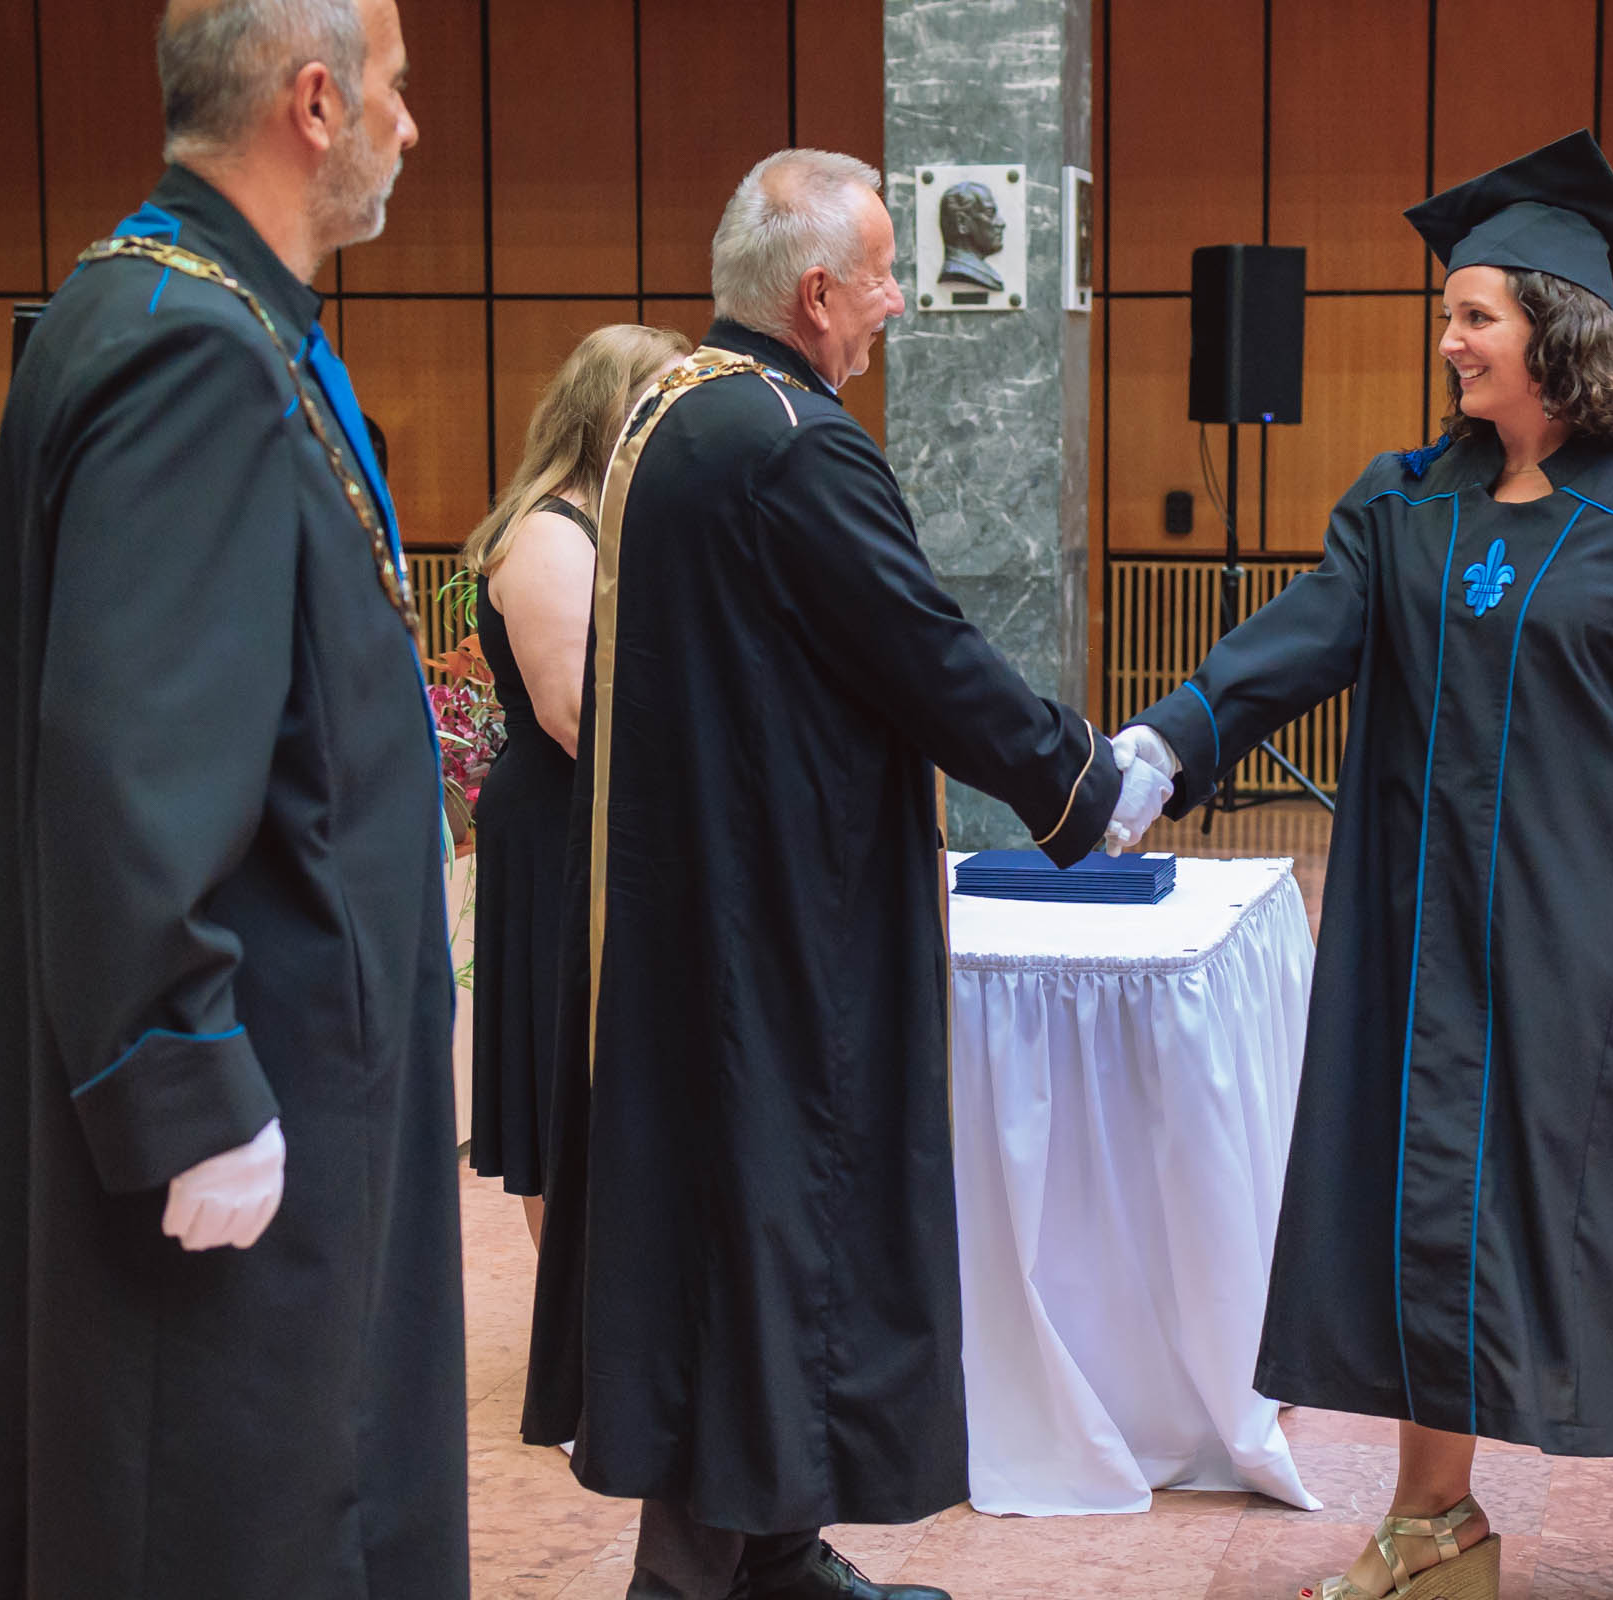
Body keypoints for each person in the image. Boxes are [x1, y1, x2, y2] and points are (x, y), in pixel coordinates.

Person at [1107, 131, 1613, 1600]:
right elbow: (1303, 638)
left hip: (1598, 954)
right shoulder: (1404, 503)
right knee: (1426, 1207)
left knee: (1608, 1225)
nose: (1449, 340)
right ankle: (1434, 1516)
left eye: (1475, 315)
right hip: (1423, 933)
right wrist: (1170, 741)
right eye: (1448, 316)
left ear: (1557, 329)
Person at [521, 148, 1166, 1600]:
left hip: (705, 894)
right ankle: (702, 1577)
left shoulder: (672, 412)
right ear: (816, 293)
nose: (895, 303)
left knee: (743, 1215)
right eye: (880, 276)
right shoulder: (793, 443)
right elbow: (921, 647)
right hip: (785, 913)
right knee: (778, 1216)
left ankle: (772, 1551)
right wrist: (1083, 786)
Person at [0, 2, 465, 1596]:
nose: (410, 125)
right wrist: (184, 1082)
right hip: (249, 1101)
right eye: (394, 89)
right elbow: (133, 755)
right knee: (234, 1520)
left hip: (296, 1062)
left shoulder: (191, 311)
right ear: (314, 103)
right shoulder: (190, 349)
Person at [461, 322, 690, 1248]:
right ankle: (575, 1315)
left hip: (602, 818)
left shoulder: (615, 518)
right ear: (609, 412)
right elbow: (573, 717)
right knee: (566, 1080)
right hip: (563, 826)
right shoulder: (551, 533)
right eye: (662, 402)